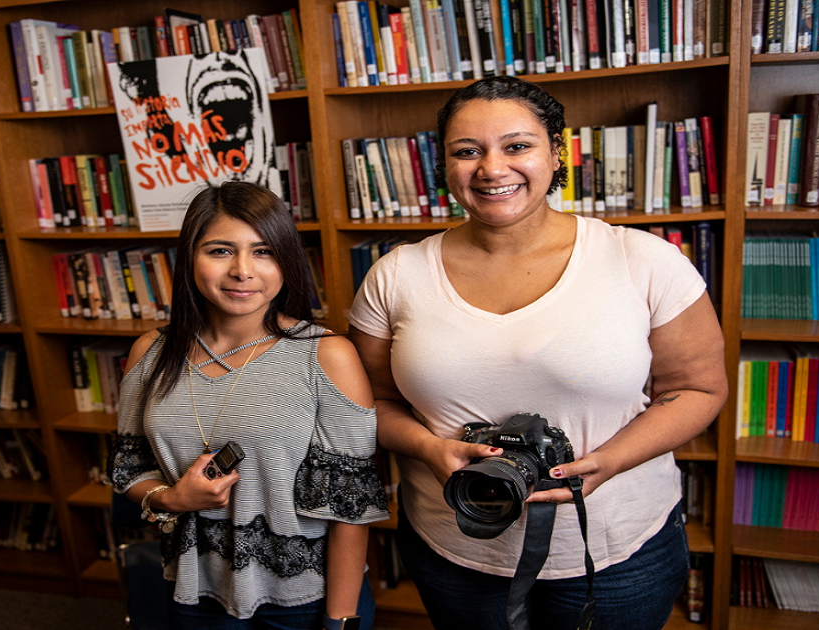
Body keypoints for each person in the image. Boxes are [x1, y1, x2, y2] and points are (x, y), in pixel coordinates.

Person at [348, 76, 728, 630]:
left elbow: (698, 389)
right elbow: (373, 402)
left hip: (617, 548)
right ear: (445, 165)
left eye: (517, 145)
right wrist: (430, 449)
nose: (491, 168)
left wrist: (610, 462)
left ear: (556, 152)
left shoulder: (644, 261)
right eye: (467, 151)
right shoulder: (396, 274)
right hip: (456, 545)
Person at [109, 181, 389, 630]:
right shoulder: (150, 354)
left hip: (303, 601)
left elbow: (349, 511)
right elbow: (130, 469)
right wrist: (174, 497)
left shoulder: (327, 356)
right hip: (191, 587)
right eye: (220, 251)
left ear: (286, 261)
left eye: (263, 252)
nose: (243, 271)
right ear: (189, 258)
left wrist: (340, 622)